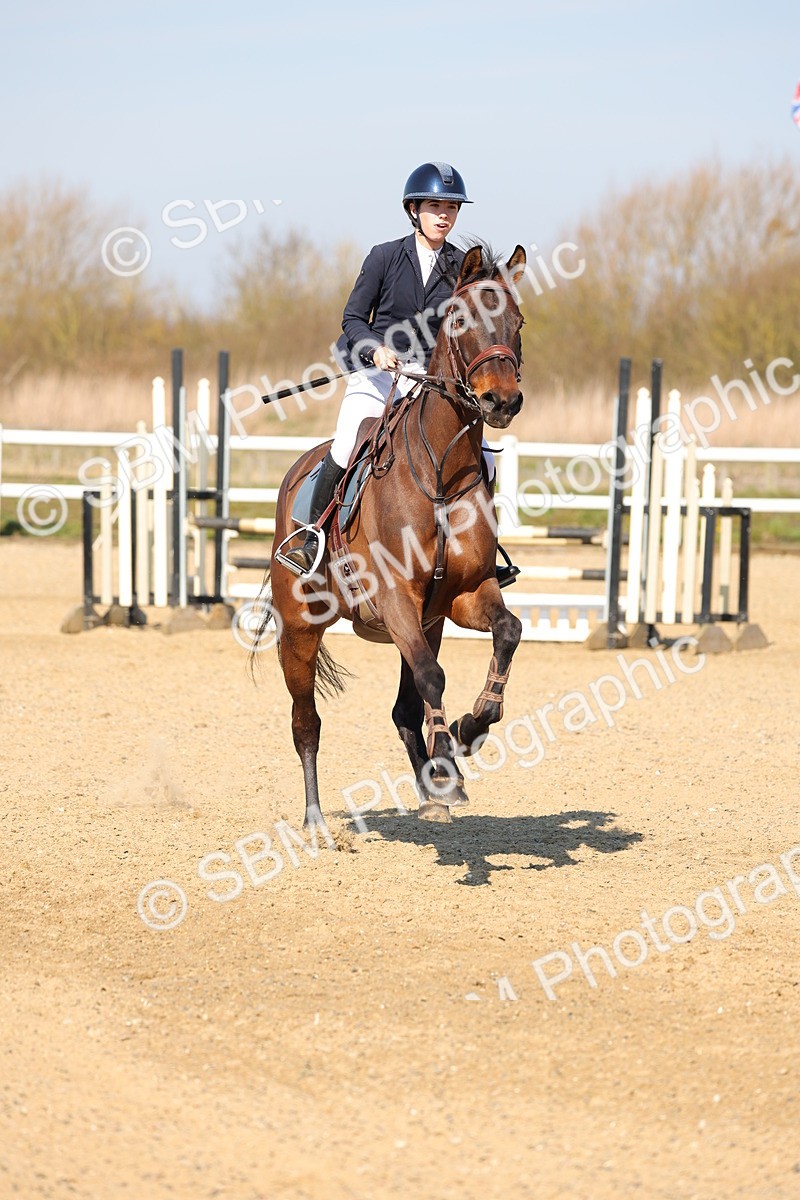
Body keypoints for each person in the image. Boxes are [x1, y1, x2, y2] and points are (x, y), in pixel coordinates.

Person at [283, 161, 517, 586]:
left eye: (451, 207)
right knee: (345, 442)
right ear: (414, 209)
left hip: (436, 384)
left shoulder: (464, 268)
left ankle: (483, 557)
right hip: (379, 377)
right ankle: (312, 537)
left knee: (485, 460)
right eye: (434, 205)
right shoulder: (385, 257)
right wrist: (375, 349)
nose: (444, 214)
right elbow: (353, 319)